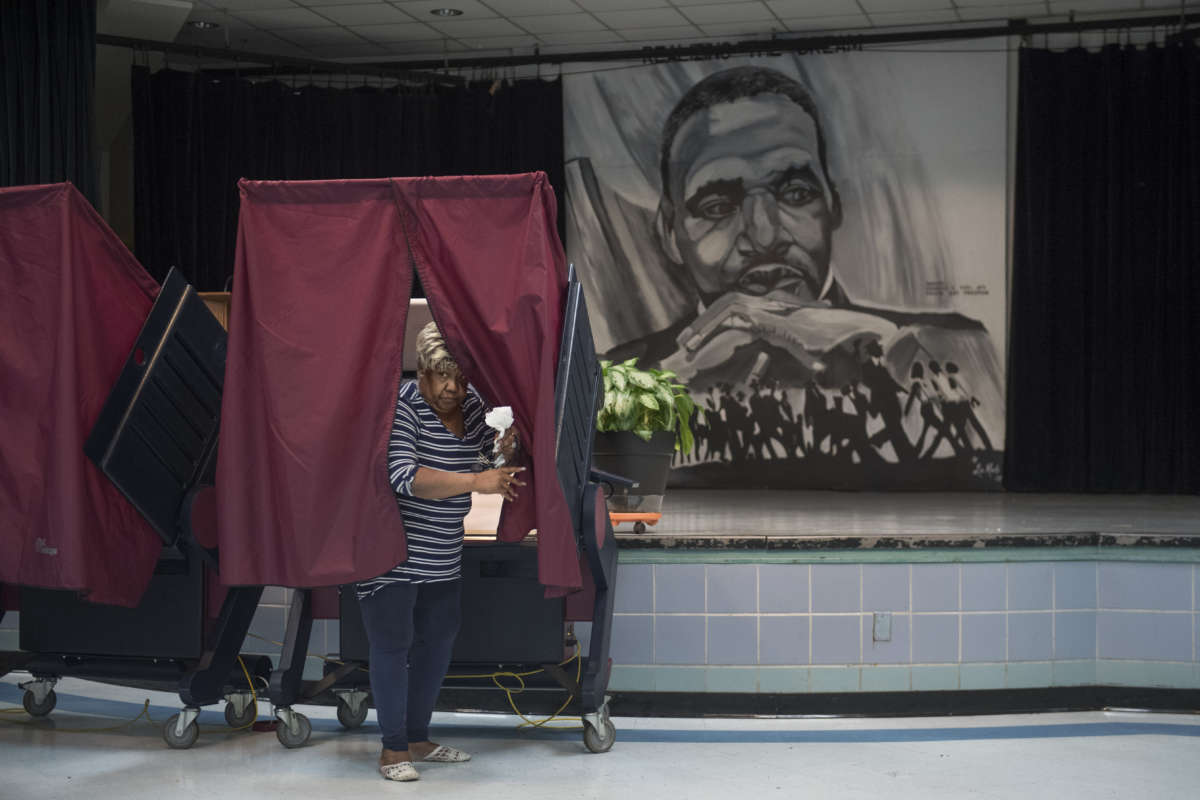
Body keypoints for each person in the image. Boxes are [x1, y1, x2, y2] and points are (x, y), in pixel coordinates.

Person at [603, 65, 999, 462]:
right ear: (669, 233)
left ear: (833, 205)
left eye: (794, 192)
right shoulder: (623, 374)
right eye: (718, 206)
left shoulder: (951, 346)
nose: (765, 234)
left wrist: (858, 334)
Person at [356, 321, 525, 782]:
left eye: (461, 376)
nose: (453, 387)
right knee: (392, 645)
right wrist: (478, 481)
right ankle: (392, 751)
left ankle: (417, 737)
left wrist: (500, 451)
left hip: (442, 551)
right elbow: (404, 476)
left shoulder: (470, 406)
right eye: (441, 376)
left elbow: (480, 462)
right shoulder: (402, 407)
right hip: (391, 550)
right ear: (422, 371)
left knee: (438, 642)